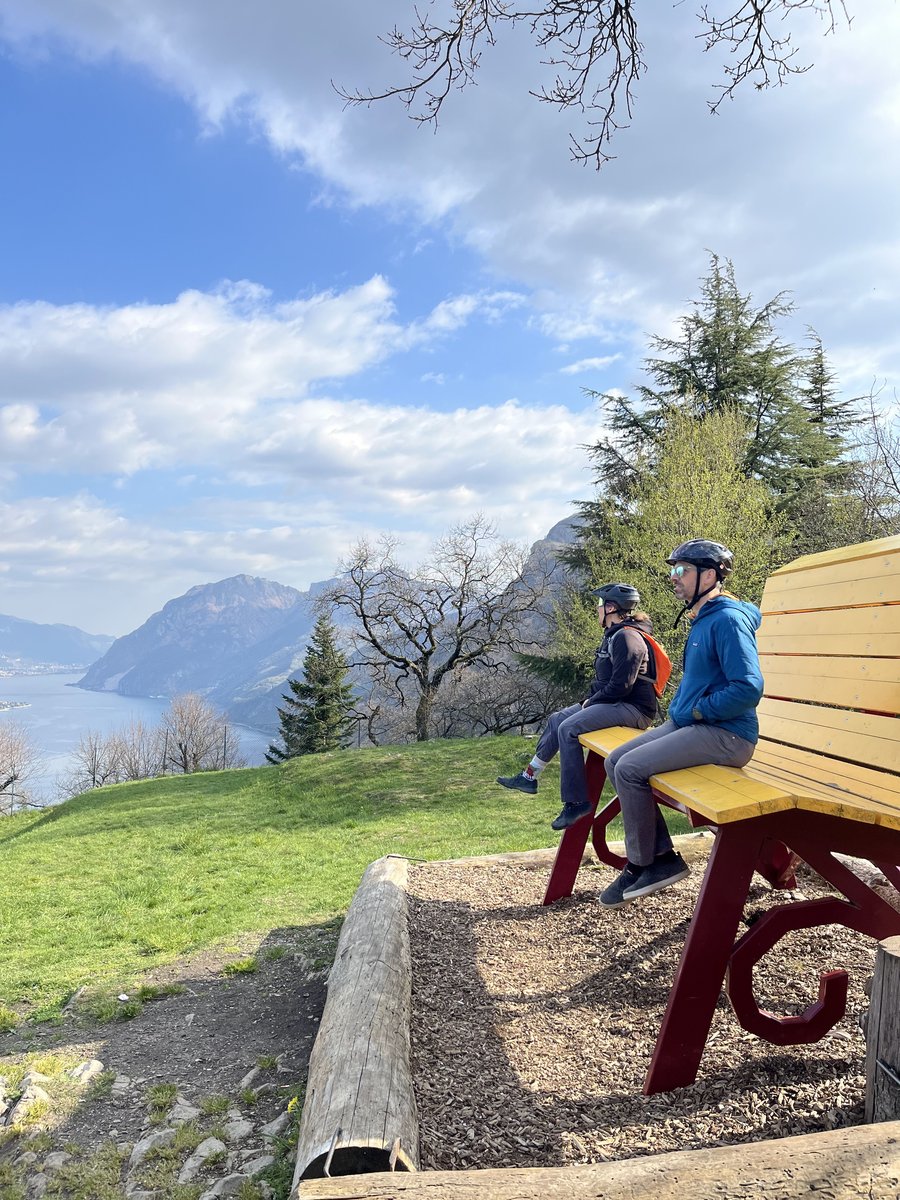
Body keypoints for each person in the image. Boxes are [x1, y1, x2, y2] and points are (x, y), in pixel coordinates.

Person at [597, 539, 764, 910]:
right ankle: (660, 856)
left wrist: (700, 711)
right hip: (693, 724)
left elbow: (749, 687)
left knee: (631, 768)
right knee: (615, 760)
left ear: (710, 574)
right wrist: (689, 713)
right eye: (673, 569)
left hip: (728, 735)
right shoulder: (703, 618)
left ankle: (649, 863)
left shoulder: (728, 620)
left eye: (681, 570)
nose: (674, 577)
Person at [497, 583, 659, 827]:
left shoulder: (627, 637)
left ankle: (576, 802)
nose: (597, 609)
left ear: (612, 607)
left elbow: (622, 686)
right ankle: (528, 777)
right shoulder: (615, 635)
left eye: (600, 605)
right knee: (557, 719)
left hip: (634, 709)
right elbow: (606, 682)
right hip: (615, 703)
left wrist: (591, 702)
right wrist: (589, 701)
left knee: (568, 728)